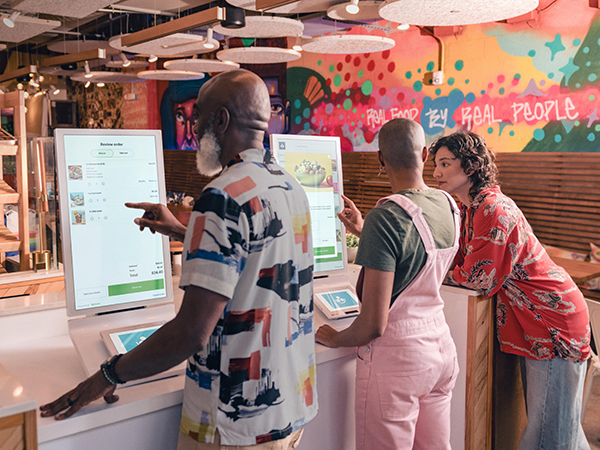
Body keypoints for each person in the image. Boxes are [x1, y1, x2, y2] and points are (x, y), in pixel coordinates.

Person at [40, 69, 318, 449]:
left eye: (198, 116)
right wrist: (182, 231)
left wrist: (106, 376)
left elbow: (191, 332)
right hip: (287, 410)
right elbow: (258, 257)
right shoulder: (289, 186)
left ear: (220, 119)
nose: (192, 127)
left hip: (232, 425)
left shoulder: (221, 195)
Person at [430, 131, 591, 450]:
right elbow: (459, 260)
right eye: (436, 164)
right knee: (561, 428)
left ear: (472, 166)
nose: (436, 173)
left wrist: (433, 272)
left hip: (553, 325)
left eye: (445, 164)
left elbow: (478, 277)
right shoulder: (469, 209)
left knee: (549, 437)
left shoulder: (492, 209)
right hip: (538, 323)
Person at [316, 118, 461, 450]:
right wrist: (363, 229)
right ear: (425, 154)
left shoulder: (387, 216)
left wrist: (335, 337)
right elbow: (415, 252)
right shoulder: (448, 205)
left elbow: (372, 326)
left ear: (381, 159)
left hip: (399, 363)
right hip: (440, 349)